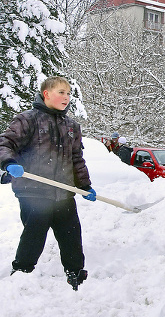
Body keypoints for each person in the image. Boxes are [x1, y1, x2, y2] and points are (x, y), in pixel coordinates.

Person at [0, 76, 97, 290]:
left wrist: (84, 185)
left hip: (62, 191)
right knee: (35, 230)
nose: (66, 97)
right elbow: (5, 143)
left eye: (69, 93)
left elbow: (76, 159)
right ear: (46, 94)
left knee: (71, 233)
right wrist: (8, 162)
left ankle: (76, 274)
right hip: (32, 189)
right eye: (61, 92)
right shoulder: (27, 120)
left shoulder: (71, 126)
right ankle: (22, 275)